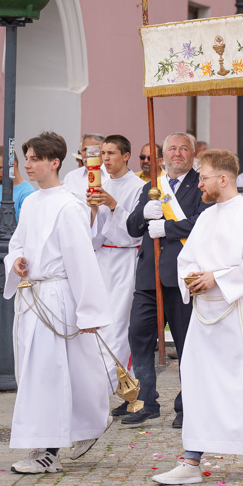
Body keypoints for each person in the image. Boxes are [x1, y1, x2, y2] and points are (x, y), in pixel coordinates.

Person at [152, 150, 243, 485]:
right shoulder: (206, 217)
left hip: (238, 313)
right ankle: (191, 462)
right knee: (200, 385)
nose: (200, 183)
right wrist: (192, 279)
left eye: (204, 177)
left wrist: (218, 278)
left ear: (223, 180)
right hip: (205, 316)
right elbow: (187, 258)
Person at [3, 132, 113, 473]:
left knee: (51, 373)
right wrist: (17, 259)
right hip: (32, 296)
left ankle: (49, 452)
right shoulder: (32, 202)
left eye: (35, 158)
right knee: (38, 372)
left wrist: (90, 310)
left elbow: (81, 259)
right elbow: (18, 241)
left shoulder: (68, 205)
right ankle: (70, 431)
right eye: (27, 159)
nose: (29, 165)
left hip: (58, 297)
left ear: (54, 162)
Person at [125, 132, 209, 427]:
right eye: (171, 149)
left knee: (188, 342)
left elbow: (204, 220)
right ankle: (146, 399)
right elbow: (133, 228)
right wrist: (143, 215)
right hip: (150, 276)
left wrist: (169, 228)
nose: (177, 154)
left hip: (183, 276)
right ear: (163, 155)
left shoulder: (201, 183)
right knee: (139, 334)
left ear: (192, 153)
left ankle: (188, 404)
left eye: (183, 149)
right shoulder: (152, 186)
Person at [85, 135, 145, 411]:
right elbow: (93, 234)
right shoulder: (101, 185)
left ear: (126, 155)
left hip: (125, 259)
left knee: (118, 325)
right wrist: (93, 210)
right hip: (102, 259)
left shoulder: (138, 187)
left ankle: (109, 387)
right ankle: (117, 385)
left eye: (112, 153)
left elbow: (134, 231)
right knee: (101, 321)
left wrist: (112, 205)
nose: (106, 159)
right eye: (103, 153)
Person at [0, 147, 33, 330]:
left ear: (13, 165)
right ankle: (4, 341)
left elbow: (26, 228)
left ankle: (10, 347)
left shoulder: (27, 193)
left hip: (12, 261)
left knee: (12, 309)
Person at [62, 134, 109, 198]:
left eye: (93, 150)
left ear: (103, 152)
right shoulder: (71, 177)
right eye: (84, 150)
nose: (87, 155)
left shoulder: (112, 177)